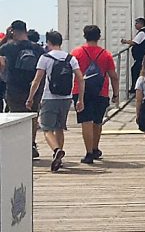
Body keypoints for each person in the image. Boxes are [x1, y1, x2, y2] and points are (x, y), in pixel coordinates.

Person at [26, 30, 83, 172]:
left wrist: (30, 98)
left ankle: (56, 150)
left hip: (49, 97)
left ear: (48, 43)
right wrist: (80, 99)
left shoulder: (45, 57)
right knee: (59, 128)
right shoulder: (70, 58)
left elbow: (37, 80)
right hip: (66, 98)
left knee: (46, 129)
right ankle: (59, 158)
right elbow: (80, 78)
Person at [72, 24, 119, 164]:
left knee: (86, 121)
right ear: (99, 37)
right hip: (101, 91)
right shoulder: (106, 54)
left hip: (81, 91)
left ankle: (88, 153)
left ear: (84, 36)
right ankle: (95, 148)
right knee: (98, 121)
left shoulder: (76, 53)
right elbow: (113, 76)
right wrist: (116, 94)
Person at [0, 20, 44, 155]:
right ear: (26, 30)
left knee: (16, 117)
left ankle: (18, 145)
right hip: (33, 89)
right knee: (33, 117)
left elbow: (1, 65)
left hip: (14, 87)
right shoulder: (37, 48)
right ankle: (31, 144)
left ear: (12, 30)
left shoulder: (7, 47)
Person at [121, 17, 145, 94]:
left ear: (141, 24)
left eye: (136, 23)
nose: (135, 25)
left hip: (142, 57)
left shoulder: (142, 33)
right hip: (142, 57)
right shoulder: (143, 32)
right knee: (137, 70)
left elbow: (134, 42)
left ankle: (135, 88)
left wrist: (125, 41)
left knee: (135, 70)